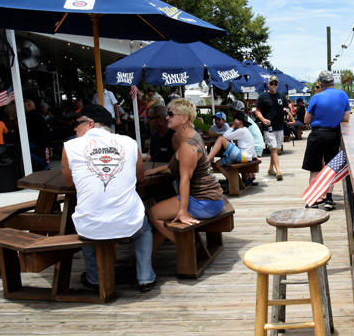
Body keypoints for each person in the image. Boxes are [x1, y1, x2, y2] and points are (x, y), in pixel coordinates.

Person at [61, 104, 156, 292]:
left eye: (77, 123)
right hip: (129, 222)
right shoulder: (129, 143)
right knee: (144, 228)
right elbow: (140, 178)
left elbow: (70, 183)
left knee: (88, 223)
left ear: (90, 124)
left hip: (90, 225)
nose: (74, 128)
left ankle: (94, 278)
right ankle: (145, 277)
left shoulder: (70, 147)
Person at [145, 98, 224, 244]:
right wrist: (161, 169)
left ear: (184, 118)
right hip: (211, 197)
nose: (167, 118)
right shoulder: (192, 135)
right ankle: (148, 256)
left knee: (153, 213)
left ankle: (188, 246)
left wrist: (182, 211)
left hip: (204, 201)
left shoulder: (188, 145)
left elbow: (185, 179)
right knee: (165, 216)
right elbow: (184, 164)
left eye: (170, 114)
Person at [303, 71, 351, 210]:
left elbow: (306, 120)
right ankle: (329, 199)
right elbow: (346, 118)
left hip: (317, 135)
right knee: (331, 168)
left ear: (321, 84)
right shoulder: (343, 95)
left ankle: (313, 200)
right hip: (333, 135)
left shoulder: (316, 97)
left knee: (314, 169)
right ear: (333, 83)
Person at [206, 111, 258, 183]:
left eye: (234, 121)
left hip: (242, 156)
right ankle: (234, 181)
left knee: (220, 139)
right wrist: (255, 157)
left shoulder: (242, 130)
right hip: (245, 157)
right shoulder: (246, 131)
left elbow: (225, 136)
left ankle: (208, 159)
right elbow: (250, 145)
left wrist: (233, 126)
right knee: (218, 164)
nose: (233, 122)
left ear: (239, 122)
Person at [255, 75, 288, 180]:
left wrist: (286, 111)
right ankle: (278, 170)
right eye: (272, 83)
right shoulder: (263, 96)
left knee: (276, 149)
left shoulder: (281, 96)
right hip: (269, 127)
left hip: (279, 125)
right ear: (268, 84)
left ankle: (270, 169)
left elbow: (285, 108)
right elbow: (257, 110)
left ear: (278, 85)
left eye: (275, 84)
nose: (273, 85)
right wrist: (263, 119)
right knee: (273, 148)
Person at [24, 99, 52, 171]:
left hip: (38, 143)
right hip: (44, 143)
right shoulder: (37, 114)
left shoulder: (30, 115)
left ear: (29, 105)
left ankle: (42, 163)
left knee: (22, 150)